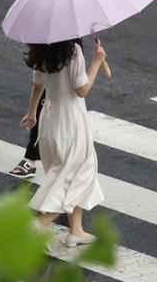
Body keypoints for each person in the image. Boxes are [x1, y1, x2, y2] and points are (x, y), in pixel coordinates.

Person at [21, 39, 106, 247]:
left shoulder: (41, 48)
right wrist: (96, 61)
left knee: (67, 173)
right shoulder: (72, 50)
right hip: (71, 119)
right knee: (79, 172)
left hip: (49, 119)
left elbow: (38, 85)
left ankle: (76, 230)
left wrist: (32, 113)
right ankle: (42, 222)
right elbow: (82, 90)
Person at [9, 0, 67, 178]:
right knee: (43, 95)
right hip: (42, 41)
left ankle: (43, 156)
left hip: (64, 43)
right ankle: (32, 156)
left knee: (59, 98)